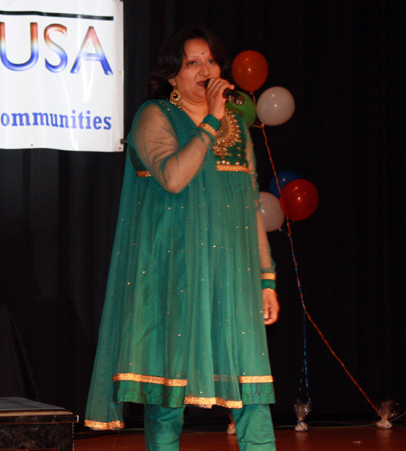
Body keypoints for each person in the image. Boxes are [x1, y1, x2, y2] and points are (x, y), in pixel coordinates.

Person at [85, 27, 280, 450]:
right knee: (167, 392)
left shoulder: (237, 127)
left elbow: (249, 205)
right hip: (170, 272)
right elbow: (173, 178)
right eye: (193, 62)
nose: (206, 69)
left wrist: (266, 279)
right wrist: (209, 121)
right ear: (173, 76)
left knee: (253, 392)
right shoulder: (153, 116)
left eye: (211, 60)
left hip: (232, 274)